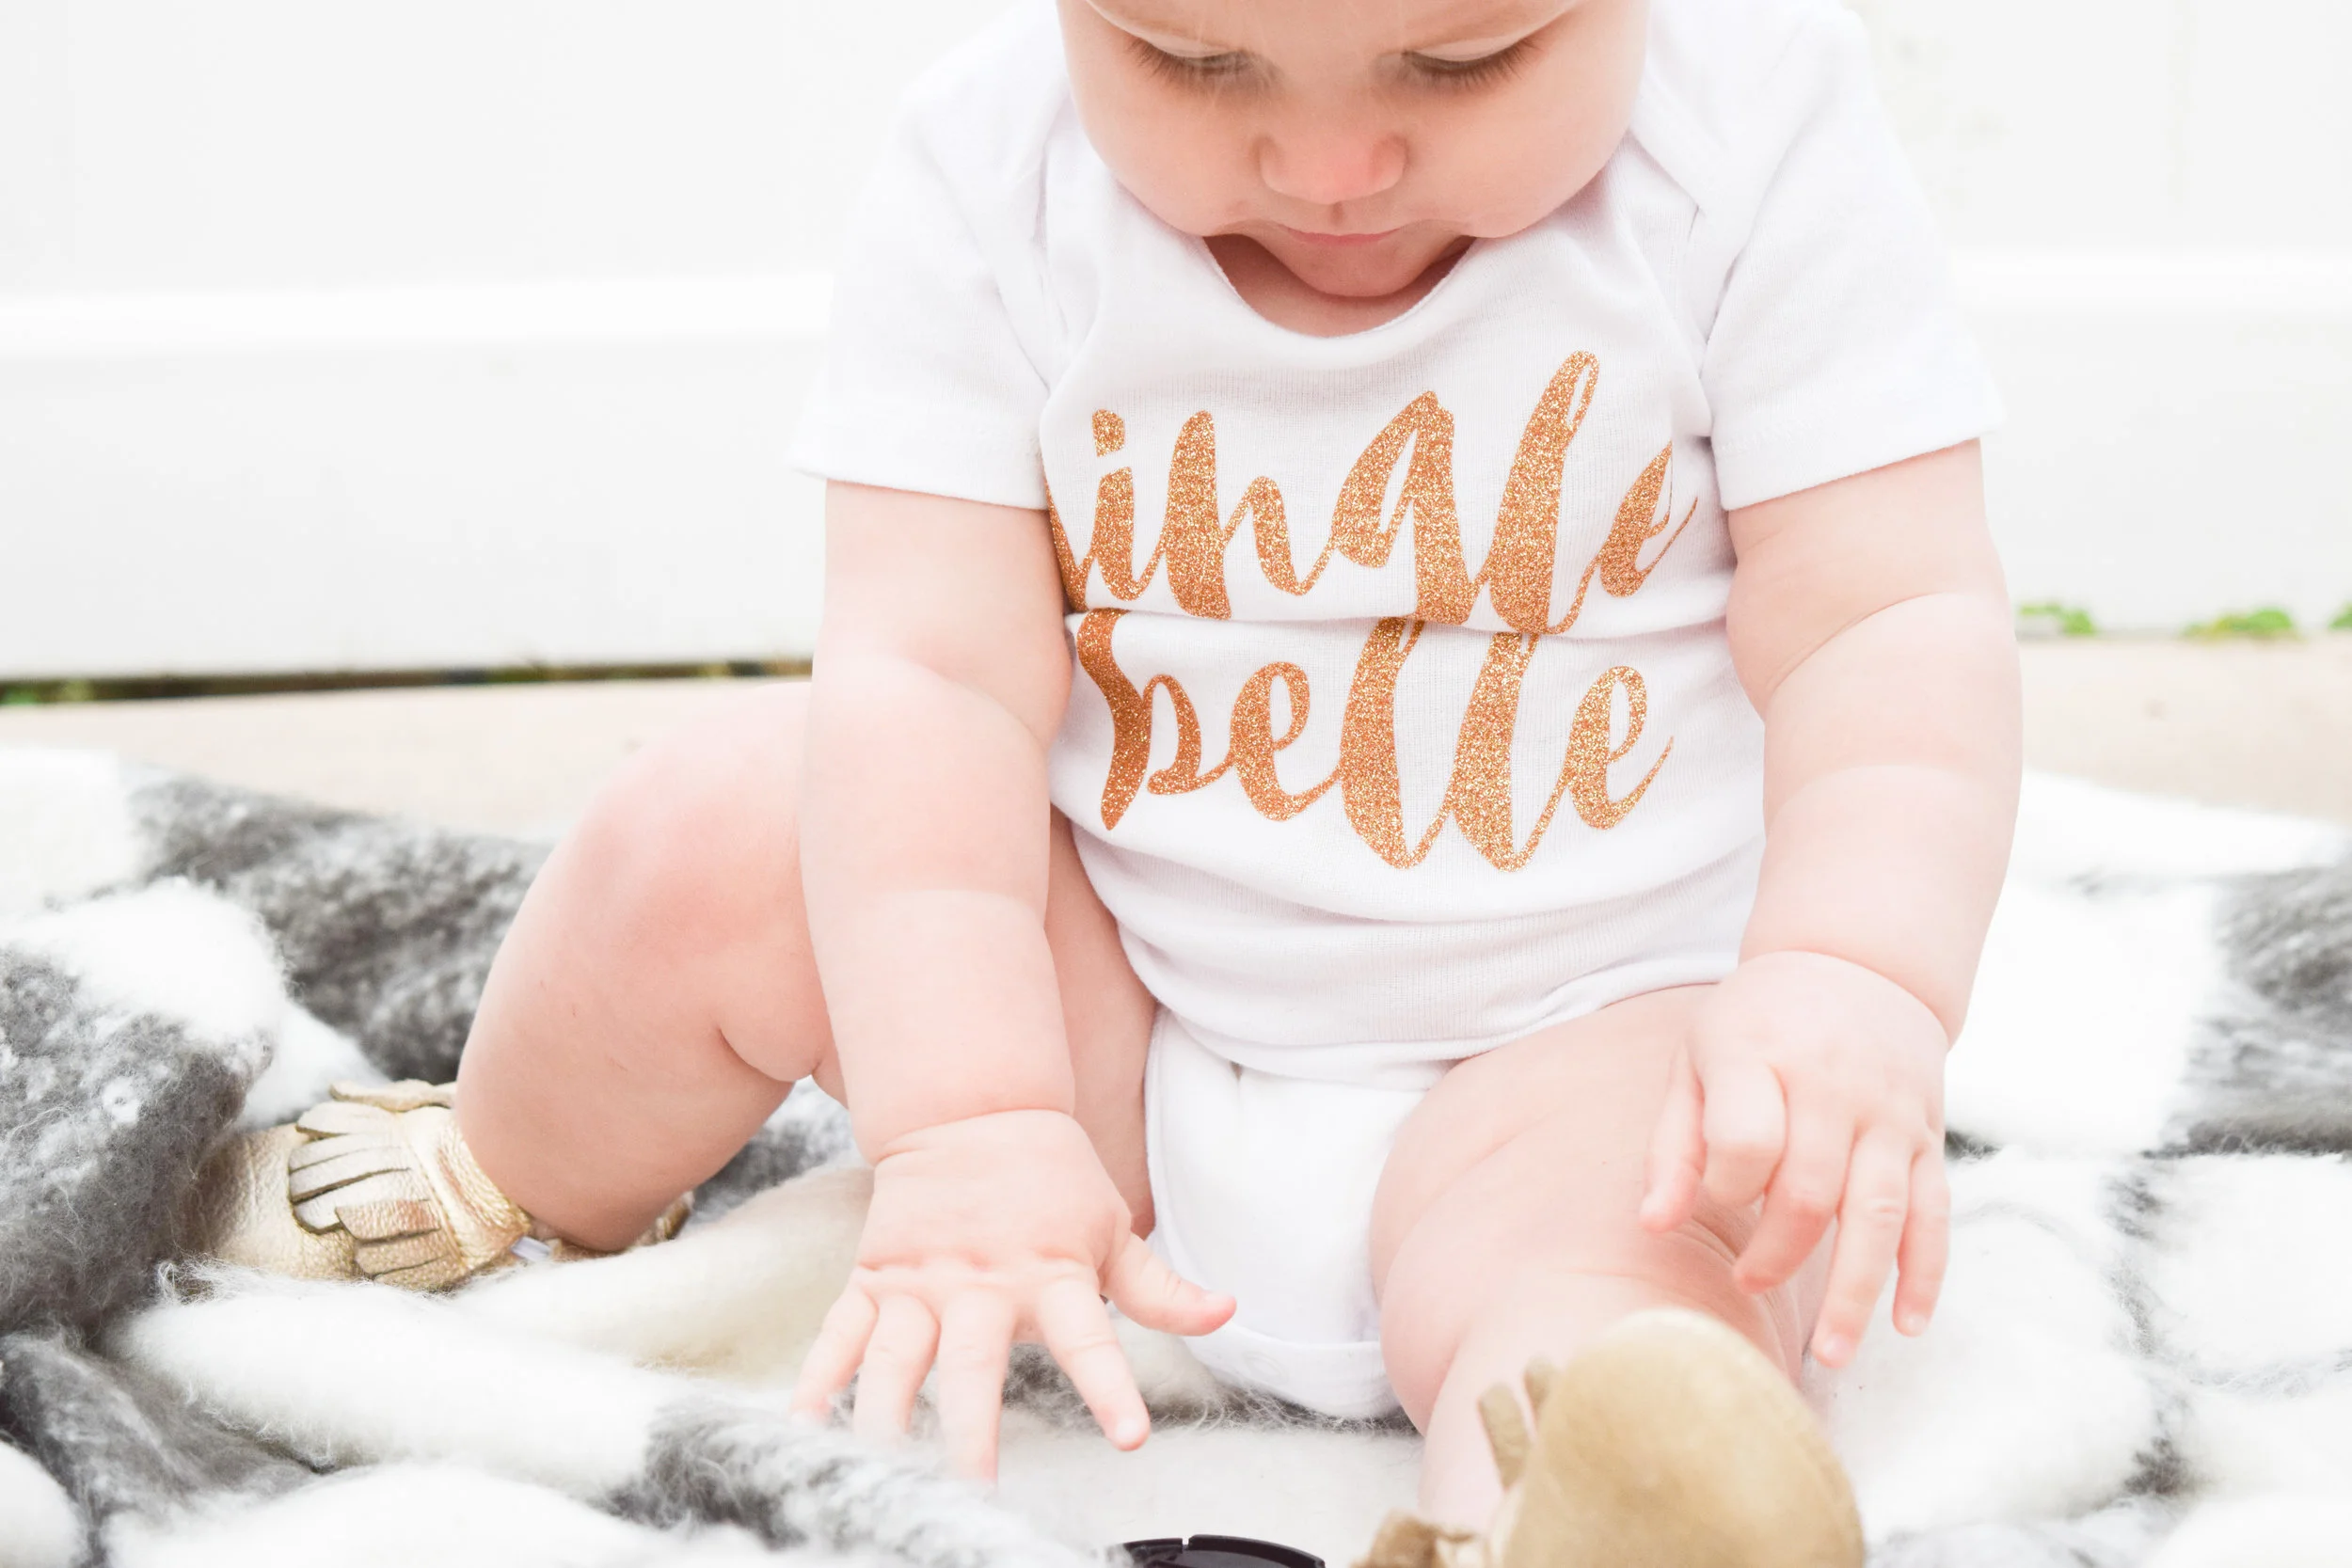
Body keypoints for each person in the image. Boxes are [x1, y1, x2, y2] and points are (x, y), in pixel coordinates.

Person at [210, 1, 2019, 1561]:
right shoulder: (998, 176)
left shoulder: (1749, 147)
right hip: (1119, 1036)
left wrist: (1852, 972)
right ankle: (509, 1170)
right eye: (1192, 58)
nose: (1329, 164)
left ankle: (1549, 1511)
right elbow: (933, 682)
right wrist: (972, 1117)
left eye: (1465, 60)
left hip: (1586, 1057)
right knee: (723, 825)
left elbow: (1884, 620)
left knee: (1623, 1319)